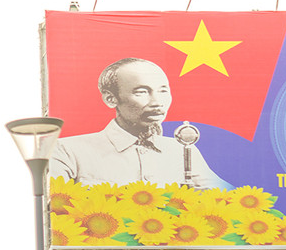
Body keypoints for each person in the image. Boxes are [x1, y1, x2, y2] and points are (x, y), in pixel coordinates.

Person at [51, 57, 229, 190]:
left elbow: (229, 199)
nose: (157, 102)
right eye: (142, 92)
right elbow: (57, 213)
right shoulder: (68, 151)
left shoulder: (181, 150)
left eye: (163, 91)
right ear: (110, 99)